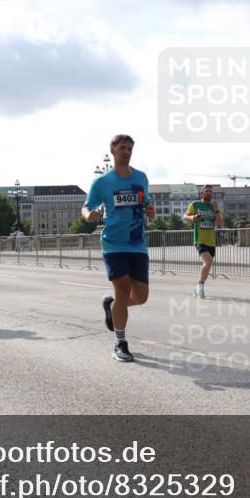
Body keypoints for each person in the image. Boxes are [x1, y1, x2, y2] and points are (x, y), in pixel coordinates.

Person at [82, 134, 155, 362]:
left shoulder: (141, 178)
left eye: (130, 148)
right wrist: (89, 215)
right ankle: (120, 343)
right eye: (122, 148)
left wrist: (151, 210)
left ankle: (112, 306)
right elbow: (86, 207)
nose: (126, 152)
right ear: (113, 150)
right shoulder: (102, 182)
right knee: (122, 289)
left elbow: (146, 203)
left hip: (137, 243)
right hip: (113, 244)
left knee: (140, 297)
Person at [182, 184, 223, 299]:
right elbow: (184, 217)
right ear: (202, 193)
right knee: (208, 262)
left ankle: (197, 288)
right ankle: (200, 286)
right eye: (207, 191)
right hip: (200, 239)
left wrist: (216, 210)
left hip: (211, 241)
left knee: (208, 265)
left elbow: (219, 224)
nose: (209, 193)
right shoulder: (195, 204)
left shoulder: (214, 206)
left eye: (210, 191)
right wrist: (192, 218)